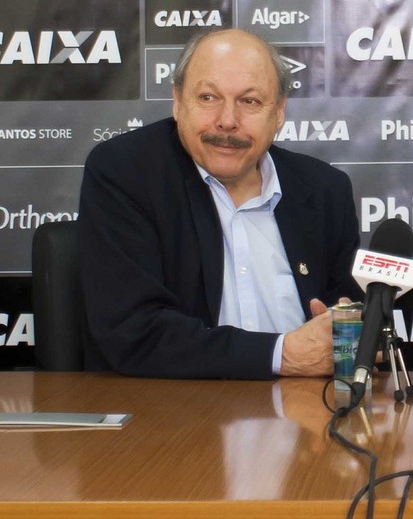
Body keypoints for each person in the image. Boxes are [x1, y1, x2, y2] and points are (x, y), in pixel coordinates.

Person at [78, 28, 362, 379]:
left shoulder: (324, 190)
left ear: (279, 111)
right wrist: (282, 354)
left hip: (305, 417)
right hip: (172, 417)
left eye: (250, 101)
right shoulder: (126, 173)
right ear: (178, 102)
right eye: (209, 97)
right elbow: (132, 331)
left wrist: (350, 332)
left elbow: (345, 322)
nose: (227, 121)